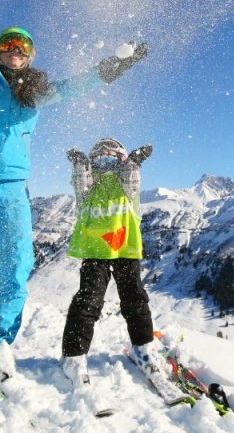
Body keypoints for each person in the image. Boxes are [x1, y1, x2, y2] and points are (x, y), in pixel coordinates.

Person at [0, 0, 150, 380]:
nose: (15, 51)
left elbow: (77, 86)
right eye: (8, 45)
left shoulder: (37, 92)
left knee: (17, 264)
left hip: (13, 187)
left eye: (23, 47)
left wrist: (115, 66)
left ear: (30, 56)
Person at [59, 138, 183, 400]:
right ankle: (74, 357)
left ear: (120, 162)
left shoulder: (127, 186)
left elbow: (131, 178)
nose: (106, 166)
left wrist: (133, 162)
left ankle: (143, 347)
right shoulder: (87, 189)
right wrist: (80, 164)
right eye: (100, 161)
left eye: (112, 160)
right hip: (96, 251)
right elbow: (82, 181)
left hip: (124, 249)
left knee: (135, 299)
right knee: (87, 301)